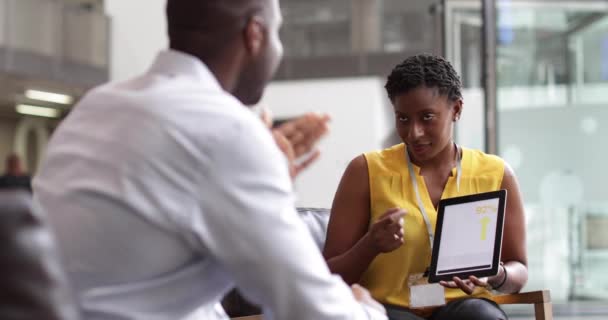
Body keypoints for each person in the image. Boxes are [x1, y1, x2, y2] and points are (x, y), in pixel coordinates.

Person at [33, 0, 386, 319]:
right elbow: (312, 309)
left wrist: (265, 178)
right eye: (277, 33)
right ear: (255, 34)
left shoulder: (96, 106)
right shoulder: (226, 131)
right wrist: (369, 311)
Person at [323, 54, 528, 320]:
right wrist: (370, 245)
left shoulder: (496, 173)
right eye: (403, 119)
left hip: (464, 307)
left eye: (427, 117)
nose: (414, 133)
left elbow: (519, 269)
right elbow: (326, 276)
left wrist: (496, 274)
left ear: (456, 110)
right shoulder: (365, 171)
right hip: (390, 310)